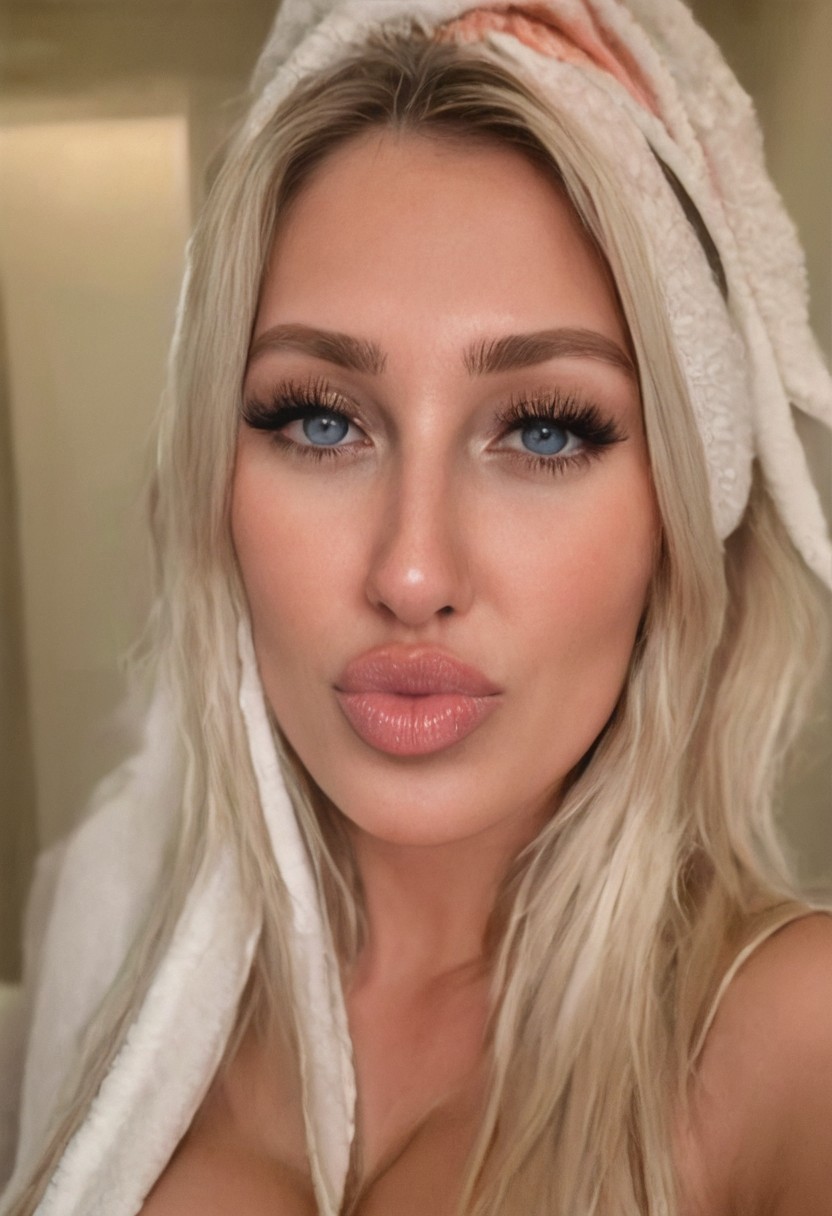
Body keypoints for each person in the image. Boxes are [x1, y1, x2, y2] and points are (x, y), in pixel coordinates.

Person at [2, 2, 832, 1214]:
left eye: (543, 430)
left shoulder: (794, 1046)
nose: (409, 571)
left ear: (679, 514)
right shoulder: (104, 930)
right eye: (320, 420)